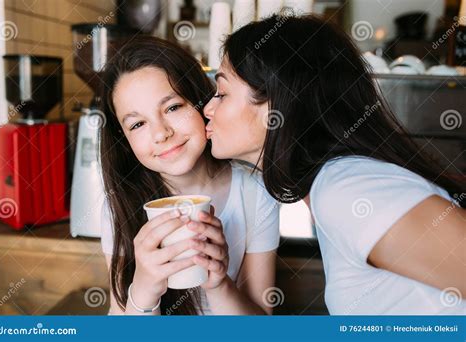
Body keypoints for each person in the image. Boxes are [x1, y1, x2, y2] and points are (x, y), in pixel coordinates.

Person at [203, 14, 466, 314]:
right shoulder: (333, 188)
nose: (209, 108)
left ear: (277, 103)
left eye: (222, 93)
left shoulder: (347, 188)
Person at [99, 37, 280, 315]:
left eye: (173, 108)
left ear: (201, 102)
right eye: (137, 124)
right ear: (124, 141)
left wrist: (219, 284)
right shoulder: (118, 205)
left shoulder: (255, 191)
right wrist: (144, 290)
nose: (161, 133)